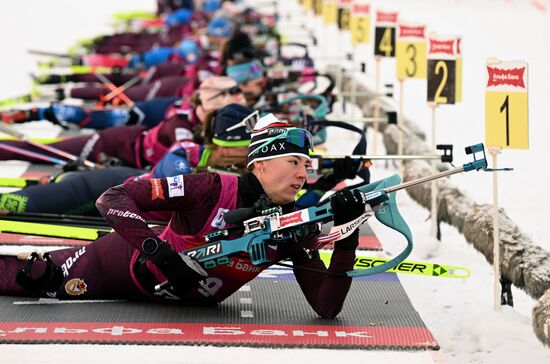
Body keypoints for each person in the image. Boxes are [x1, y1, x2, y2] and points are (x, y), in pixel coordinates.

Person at [0, 114, 367, 319]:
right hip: (113, 266)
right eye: (294, 162)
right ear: (260, 164)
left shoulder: (292, 226)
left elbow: (326, 305)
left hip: (177, 303)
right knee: (30, 277)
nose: (304, 175)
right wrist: (160, 254)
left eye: (306, 165)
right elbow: (113, 197)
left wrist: (347, 238)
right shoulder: (210, 187)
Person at [0, 103, 253, 217]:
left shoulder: (245, 164)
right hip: (104, 190)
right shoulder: (184, 155)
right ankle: (56, 183)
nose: (256, 148)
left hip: (123, 185)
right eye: (249, 142)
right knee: (16, 204)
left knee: (58, 185)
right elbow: (182, 203)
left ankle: (57, 181)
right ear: (228, 147)